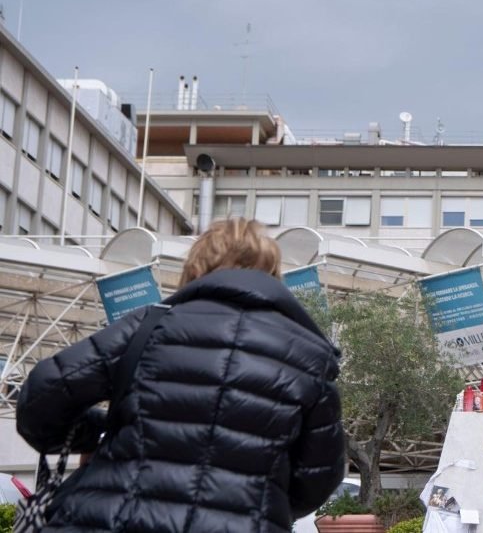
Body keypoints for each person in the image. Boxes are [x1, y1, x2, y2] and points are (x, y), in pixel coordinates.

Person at [17, 218, 346, 533]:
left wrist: (104, 431)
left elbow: (41, 398)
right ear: (274, 274)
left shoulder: (148, 326)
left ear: (196, 269)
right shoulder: (310, 357)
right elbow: (317, 479)